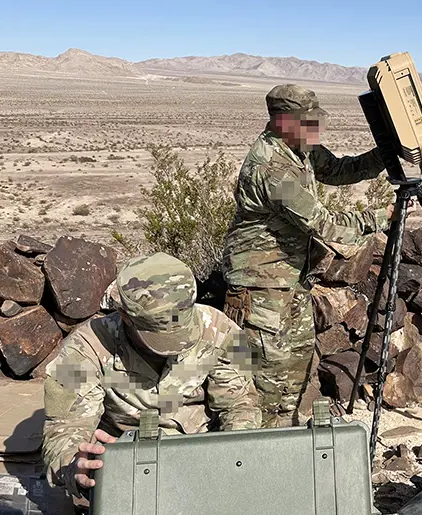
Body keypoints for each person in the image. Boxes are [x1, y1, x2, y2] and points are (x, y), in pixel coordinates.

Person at [222, 83, 399, 428]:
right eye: (309, 122)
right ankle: (259, 454)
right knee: (268, 379)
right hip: (261, 288)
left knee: (298, 370)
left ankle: (288, 442)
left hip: (290, 280)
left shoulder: (298, 148)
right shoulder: (272, 168)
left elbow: (338, 171)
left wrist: (386, 153)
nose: (316, 129)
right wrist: (381, 217)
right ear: (284, 121)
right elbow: (323, 224)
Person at [41, 252, 261, 500]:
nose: (175, 348)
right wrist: (74, 467)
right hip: (124, 467)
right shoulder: (84, 348)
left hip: (202, 457)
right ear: (126, 316)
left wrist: (237, 458)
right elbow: (63, 429)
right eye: (160, 338)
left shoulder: (225, 332)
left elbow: (241, 405)